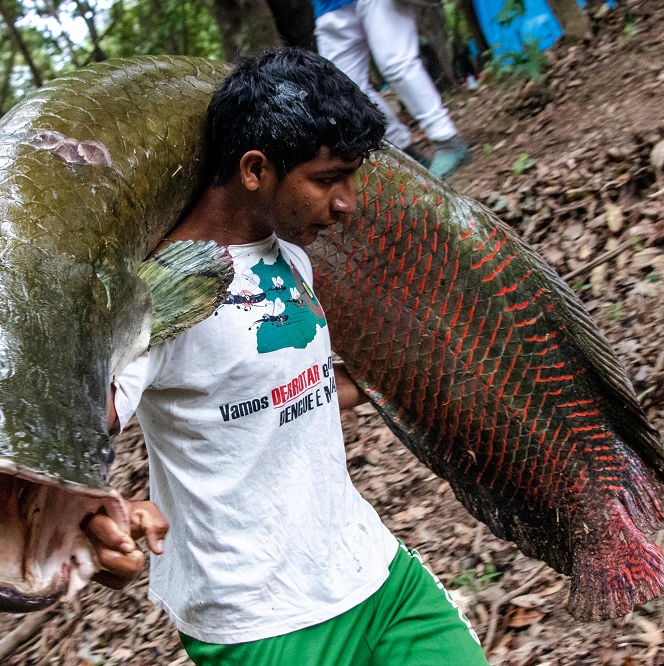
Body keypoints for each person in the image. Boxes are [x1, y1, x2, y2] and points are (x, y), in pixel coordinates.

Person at [83, 50, 489, 665]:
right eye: (329, 178)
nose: (347, 200)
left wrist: (409, 377)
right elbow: (71, 424)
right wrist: (96, 513)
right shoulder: (156, 295)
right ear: (255, 169)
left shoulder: (290, 254)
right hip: (260, 620)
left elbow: (294, 389)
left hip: (371, 571)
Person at [312, 0, 470, 179]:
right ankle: (405, 155)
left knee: (397, 64)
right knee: (342, 90)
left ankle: (447, 140)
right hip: (327, 6)